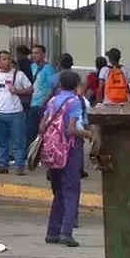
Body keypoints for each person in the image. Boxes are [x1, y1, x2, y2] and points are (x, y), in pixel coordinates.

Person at [43, 71, 93, 248]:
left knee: (58, 192)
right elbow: (72, 129)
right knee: (71, 190)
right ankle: (67, 232)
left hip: (53, 151)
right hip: (70, 150)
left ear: (60, 84)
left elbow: (42, 125)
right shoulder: (75, 102)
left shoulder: (52, 101)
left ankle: (52, 231)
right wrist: (88, 134)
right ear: (75, 85)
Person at [0, 50, 33, 175]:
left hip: (16, 113)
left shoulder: (19, 74)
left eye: (9, 59)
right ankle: (2, 164)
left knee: (19, 140)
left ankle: (19, 165)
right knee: (1, 141)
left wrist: (17, 90)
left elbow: (30, 89)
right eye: (4, 59)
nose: (7, 61)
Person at [28, 44, 57, 151]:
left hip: (43, 105)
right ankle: (32, 154)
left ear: (43, 54)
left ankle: (43, 154)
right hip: (32, 103)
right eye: (32, 53)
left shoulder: (49, 68)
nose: (34, 55)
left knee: (43, 131)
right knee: (31, 131)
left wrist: (44, 101)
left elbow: (52, 87)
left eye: (36, 53)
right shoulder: (32, 67)